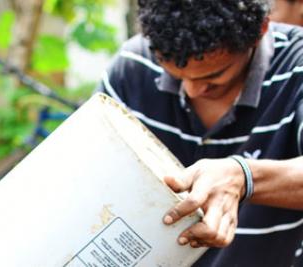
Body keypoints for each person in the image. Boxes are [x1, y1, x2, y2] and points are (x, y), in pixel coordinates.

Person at [97, 0, 303, 266]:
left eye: (213, 77)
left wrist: (245, 176)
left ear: (261, 29)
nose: (192, 91)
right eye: (175, 74)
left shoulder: (297, 66)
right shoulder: (133, 67)